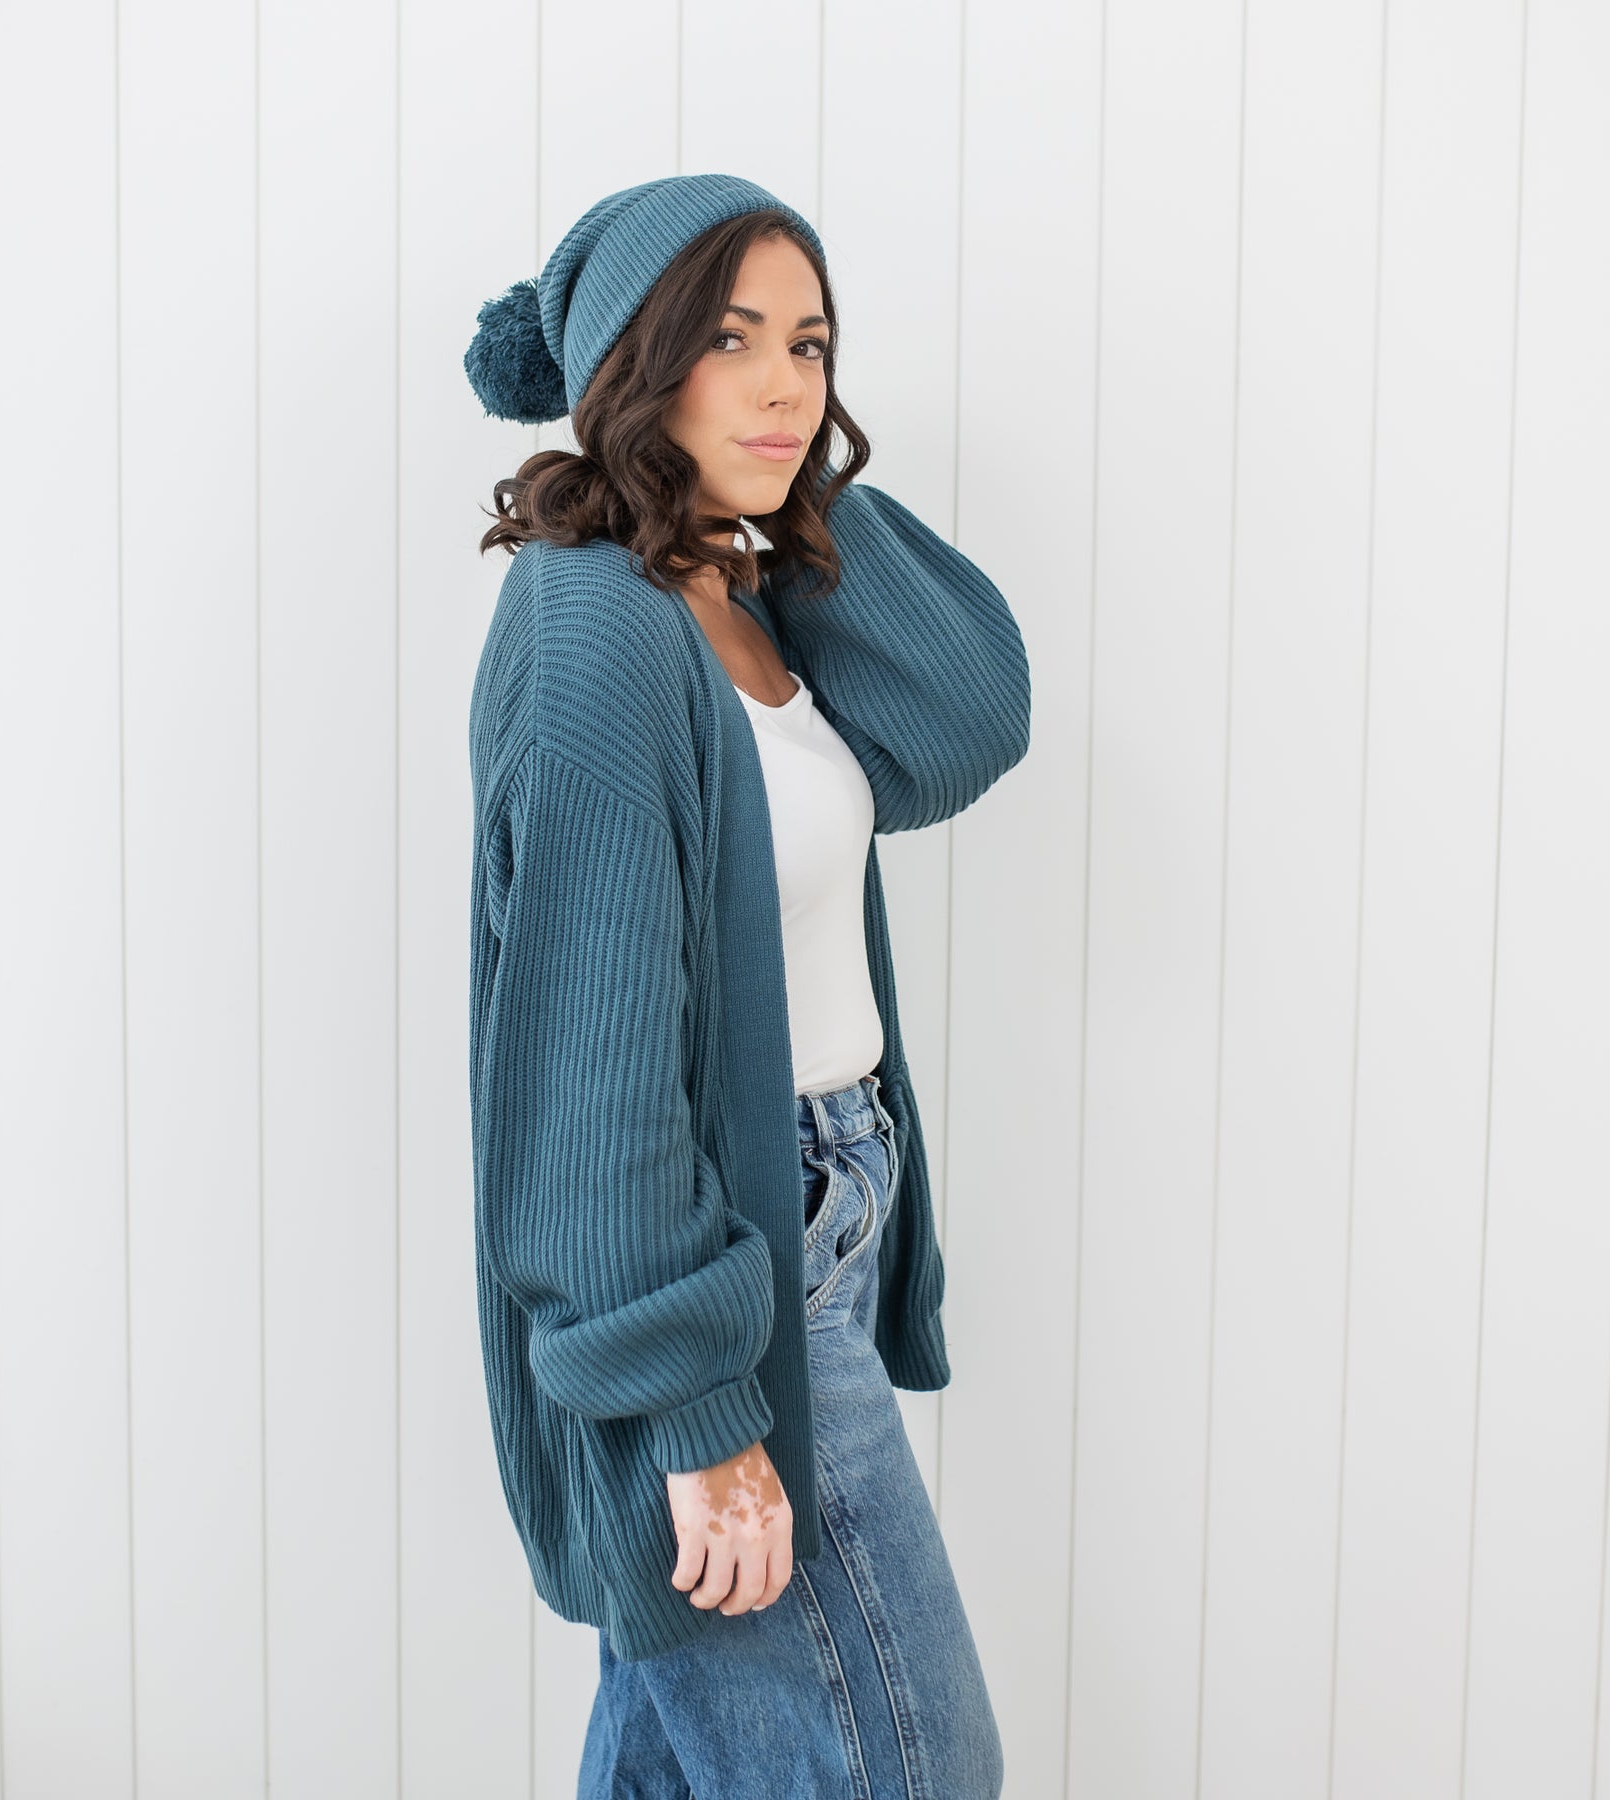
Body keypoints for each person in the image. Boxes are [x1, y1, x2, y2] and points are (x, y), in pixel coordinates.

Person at [462, 173, 1029, 1799]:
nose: (789, 385)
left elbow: (966, 719)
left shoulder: (737, 595)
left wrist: (796, 505)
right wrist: (699, 1412)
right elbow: (587, 1073)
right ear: (636, 361)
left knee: (680, 1761)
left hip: (829, 1214)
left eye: (812, 342)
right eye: (730, 340)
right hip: (727, 1263)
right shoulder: (595, 635)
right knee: (910, 1770)